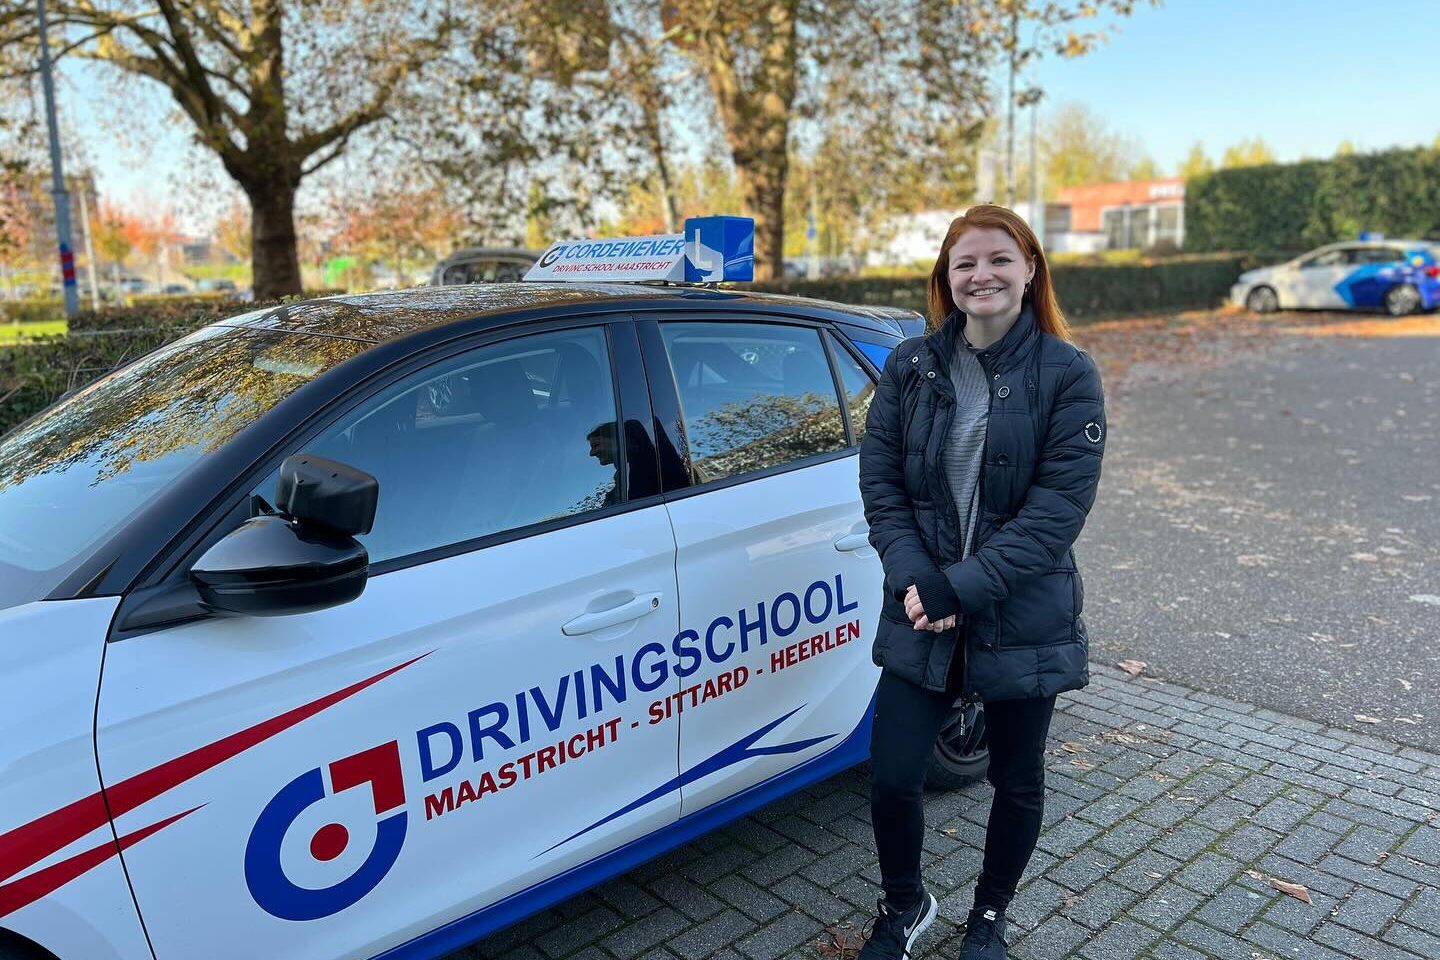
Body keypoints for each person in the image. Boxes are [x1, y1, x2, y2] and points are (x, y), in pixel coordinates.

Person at [856, 204, 1107, 959]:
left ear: (1030, 270)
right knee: (893, 776)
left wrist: (956, 588)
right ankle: (905, 904)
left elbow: (1057, 511)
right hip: (919, 604)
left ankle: (990, 916)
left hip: (1020, 612)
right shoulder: (910, 366)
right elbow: (881, 483)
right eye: (964, 263)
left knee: (1016, 780)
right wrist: (913, 578)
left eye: (999, 259)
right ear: (946, 278)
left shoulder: (1068, 373)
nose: (981, 275)